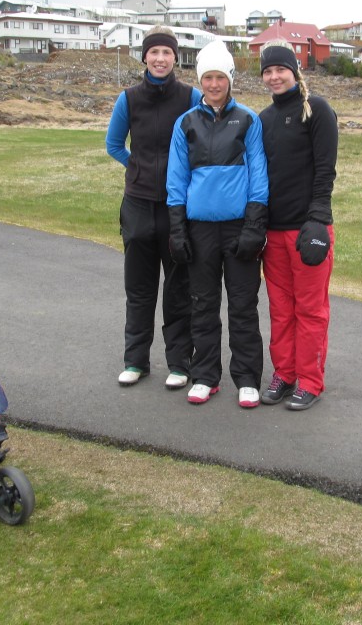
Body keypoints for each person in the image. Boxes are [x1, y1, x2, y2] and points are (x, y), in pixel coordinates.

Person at [166, 39, 268, 407]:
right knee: (203, 304)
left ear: (230, 79)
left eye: (220, 77)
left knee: (243, 305)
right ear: (200, 80)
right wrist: (177, 229)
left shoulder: (248, 120)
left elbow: (259, 176)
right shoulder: (186, 123)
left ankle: (247, 377)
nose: (213, 84)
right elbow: (176, 179)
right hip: (200, 230)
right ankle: (205, 375)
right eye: (207, 77)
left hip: (239, 227)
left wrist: (254, 226)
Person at [105, 25, 201, 389]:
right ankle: (135, 361)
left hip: (177, 209)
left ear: (176, 57)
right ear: (144, 56)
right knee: (139, 289)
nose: (160, 59)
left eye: (167, 53)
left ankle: (179, 364)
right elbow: (114, 144)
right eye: (154, 52)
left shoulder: (191, 97)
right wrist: (137, 167)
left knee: (178, 290)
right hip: (138, 205)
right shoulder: (128, 99)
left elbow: (203, 142)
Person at [256, 39, 338, 411]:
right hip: (273, 232)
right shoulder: (263, 119)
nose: (275, 77)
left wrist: (318, 218)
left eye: (281, 70)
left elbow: (325, 170)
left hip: (309, 230)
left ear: (294, 71)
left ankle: (309, 380)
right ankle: (285, 373)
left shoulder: (316, 110)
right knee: (280, 308)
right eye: (268, 71)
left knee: (310, 309)